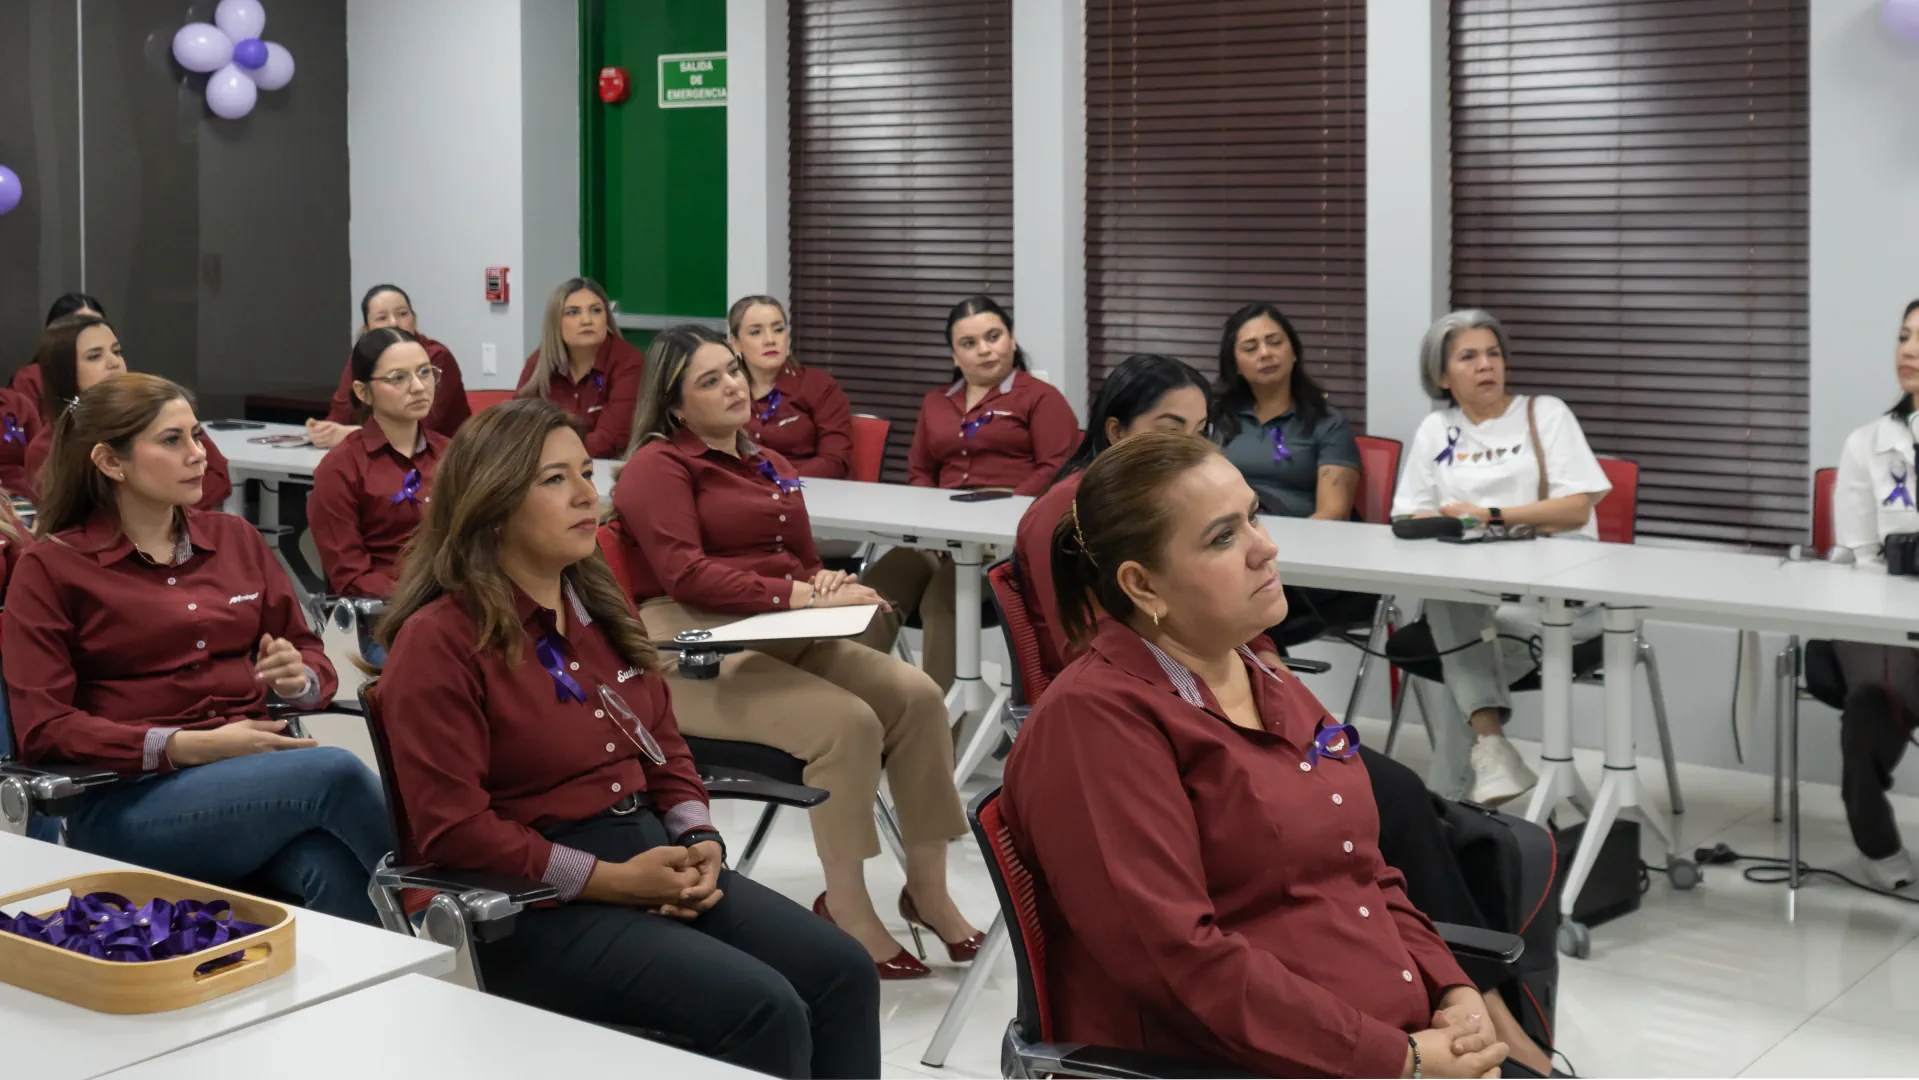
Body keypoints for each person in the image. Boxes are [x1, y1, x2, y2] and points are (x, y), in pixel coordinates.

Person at [1014, 367, 1555, 1074]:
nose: (1264, 547)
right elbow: (1177, 962)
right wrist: (1398, 1060)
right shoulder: (1099, 722)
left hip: (1383, 1035)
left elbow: (1361, 869)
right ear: (1142, 586)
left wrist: (1452, 990)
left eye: (1254, 516)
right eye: (1221, 538)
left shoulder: (1259, 673)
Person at [373, 398, 879, 1078]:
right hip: (530, 899)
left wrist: (699, 838)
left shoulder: (595, 608)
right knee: (763, 1009)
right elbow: (453, 830)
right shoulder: (439, 641)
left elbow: (664, 745)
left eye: (586, 473)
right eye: (555, 479)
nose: (588, 495)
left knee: (844, 971)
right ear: (492, 504)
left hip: (645, 852)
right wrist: (611, 882)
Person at [612, 325, 983, 980]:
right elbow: (685, 575)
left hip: (779, 629)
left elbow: (805, 562)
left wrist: (831, 586)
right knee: (848, 723)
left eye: (732, 370)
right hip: (689, 645)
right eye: (709, 381)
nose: (733, 385)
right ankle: (845, 906)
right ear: (674, 405)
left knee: (919, 696)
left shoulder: (770, 464)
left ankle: (927, 891)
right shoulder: (658, 466)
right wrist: (800, 594)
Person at [2, 373, 388, 923]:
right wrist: (188, 746)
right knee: (336, 772)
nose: (198, 454)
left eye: (197, 435)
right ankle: (438, 903)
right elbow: (44, 728)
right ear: (110, 462)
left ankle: (402, 967)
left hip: (250, 780)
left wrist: (298, 676)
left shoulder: (235, 539)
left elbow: (310, 656)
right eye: (172, 440)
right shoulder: (52, 568)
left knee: (329, 865)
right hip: (131, 802)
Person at [1387, 310, 1611, 804]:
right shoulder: (1437, 428)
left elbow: (1575, 508)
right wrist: (1474, 523)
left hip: (1558, 603)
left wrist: (1486, 516)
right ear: (1443, 377)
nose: (1486, 364)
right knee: (1452, 606)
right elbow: (1411, 517)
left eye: (1493, 354)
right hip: (1477, 602)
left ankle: (1445, 810)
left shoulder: (1545, 414)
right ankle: (1490, 751)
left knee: (1461, 659)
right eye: (1469, 357)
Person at [865, 295, 1079, 692]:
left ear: (1012, 339)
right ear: (954, 354)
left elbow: (1057, 470)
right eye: (969, 343)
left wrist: (997, 515)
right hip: (936, 536)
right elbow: (920, 472)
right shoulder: (936, 403)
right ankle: (859, 707)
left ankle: (940, 721)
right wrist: (932, 527)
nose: (984, 349)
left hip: (1002, 543)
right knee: (872, 594)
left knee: (943, 601)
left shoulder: (1040, 398)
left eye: (993, 336)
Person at [1016, 353, 1211, 677]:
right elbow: (1081, 643)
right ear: (1116, 431)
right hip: (1108, 686)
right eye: (1171, 431)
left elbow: (1220, 593)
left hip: (1174, 661)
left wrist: (1260, 650)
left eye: (1200, 431)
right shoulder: (1065, 509)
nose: (1190, 449)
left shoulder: (1164, 496)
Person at [1212, 301, 1379, 647]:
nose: (1265, 353)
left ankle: (1261, 668)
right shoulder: (1215, 421)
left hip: (1300, 567)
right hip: (1231, 552)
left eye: (1275, 341)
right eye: (1250, 347)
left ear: (1294, 352)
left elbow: (1332, 514)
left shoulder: (1327, 422)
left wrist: (1267, 555)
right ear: (1235, 364)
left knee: (1230, 605)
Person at [1826, 298, 1919, 890]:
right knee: (1869, 704)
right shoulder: (1867, 444)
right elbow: (1859, 555)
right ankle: (1878, 848)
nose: (1908, 351)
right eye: (1904, 336)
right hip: (1883, 625)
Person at [306, 328, 449, 665]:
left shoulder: (452, 454)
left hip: (457, 610)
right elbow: (351, 577)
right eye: (398, 378)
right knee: (438, 669)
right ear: (363, 392)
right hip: (384, 622)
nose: (418, 387)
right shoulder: (341, 468)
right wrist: (425, 601)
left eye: (425, 372)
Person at [24, 314, 234, 512]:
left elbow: (219, 476)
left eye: (116, 351)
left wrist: (163, 509)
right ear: (64, 372)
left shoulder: (163, 412)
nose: (114, 363)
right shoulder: (46, 449)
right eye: (95, 356)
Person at [306, 284, 470, 448]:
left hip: (445, 455)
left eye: (402, 314)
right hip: (378, 453)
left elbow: (420, 429)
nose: (394, 323)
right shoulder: (362, 357)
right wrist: (323, 431)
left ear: (414, 320)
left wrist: (353, 435)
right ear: (367, 329)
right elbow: (341, 413)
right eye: (382, 318)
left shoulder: (436, 357)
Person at [516, 277, 646, 458]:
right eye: (573, 312)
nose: (587, 320)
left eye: (596, 310)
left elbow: (607, 442)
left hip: (609, 465)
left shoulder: (629, 362)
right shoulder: (540, 361)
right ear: (555, 322)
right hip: (547, 465)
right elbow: (518, 428)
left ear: (606, 318)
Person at [732, 295, 855, 479]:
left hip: (809, 488)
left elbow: (834, 461)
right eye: (756, 332)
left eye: (778, 330)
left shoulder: (818, 386)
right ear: (735, 344)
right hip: (742, 489)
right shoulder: (729, 392)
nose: (770, 340)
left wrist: (777, 481)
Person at [10, 291, 106, 405]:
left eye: (98, 326)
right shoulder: (32, 379)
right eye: (82, 327)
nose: (92, 334)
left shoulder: (112, 368)